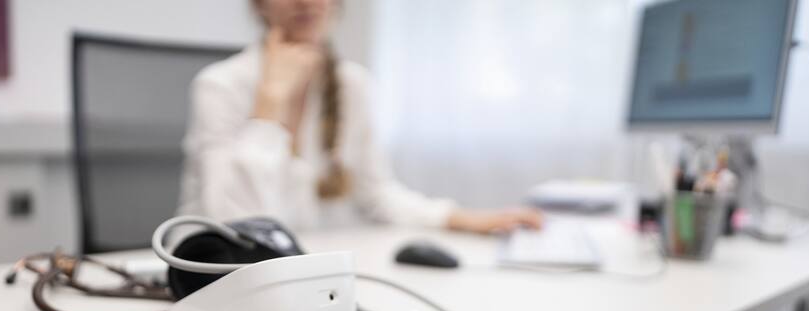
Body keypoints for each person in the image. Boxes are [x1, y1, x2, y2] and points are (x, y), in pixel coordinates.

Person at [179, 0, 542, 234]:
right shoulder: (220, 85)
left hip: (300, 269)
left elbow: (376, 194)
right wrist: (271, 103)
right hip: (216, 271)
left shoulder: (353, 85)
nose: (306, 1)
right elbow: (235, 223)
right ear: (259, 5)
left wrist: (464, 219)